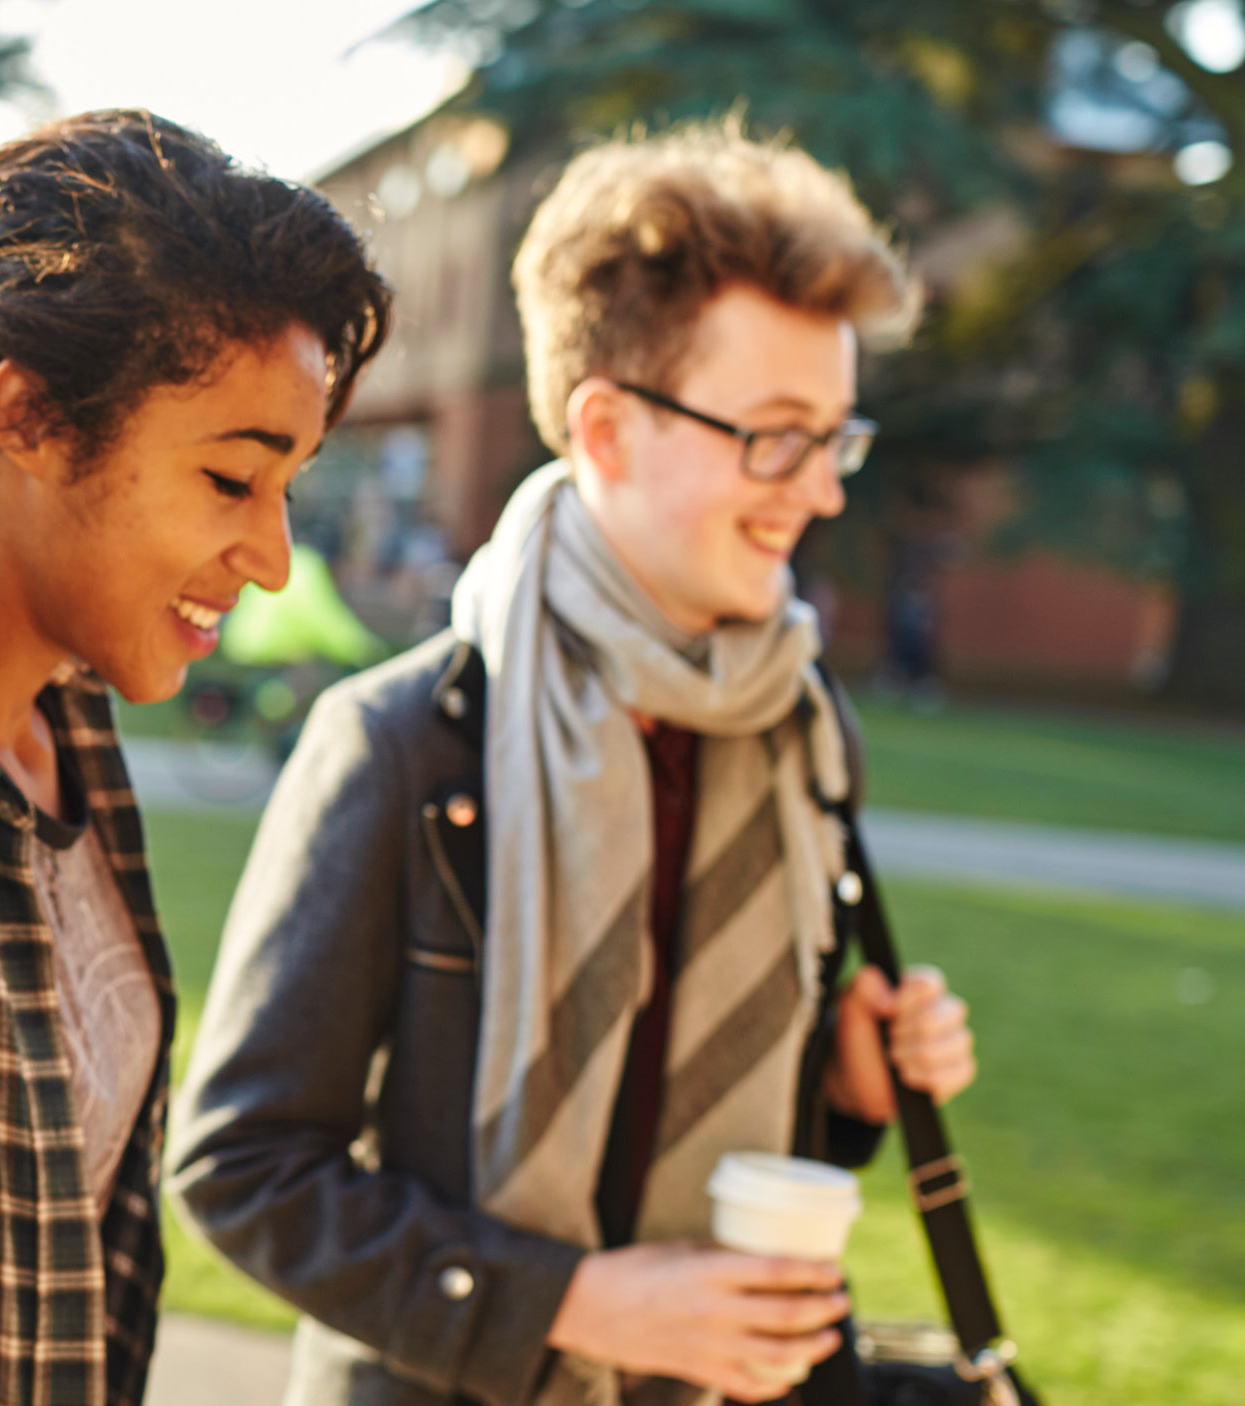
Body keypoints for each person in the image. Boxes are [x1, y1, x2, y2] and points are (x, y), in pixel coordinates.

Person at [166, 123, 981, 1406]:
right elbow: (243, 1167)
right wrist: (576, 1302)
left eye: (835, 438)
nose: (819, 491)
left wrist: (845, 1082)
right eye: (774, 435)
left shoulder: (804, 729)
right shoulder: (404, 741)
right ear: (605, 429)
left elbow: (722, 1116)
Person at [0, 111, 390, 1406]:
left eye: (289, 492)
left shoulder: (68, 730)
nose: (273, 558)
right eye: (231, 480)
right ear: (34, 416)